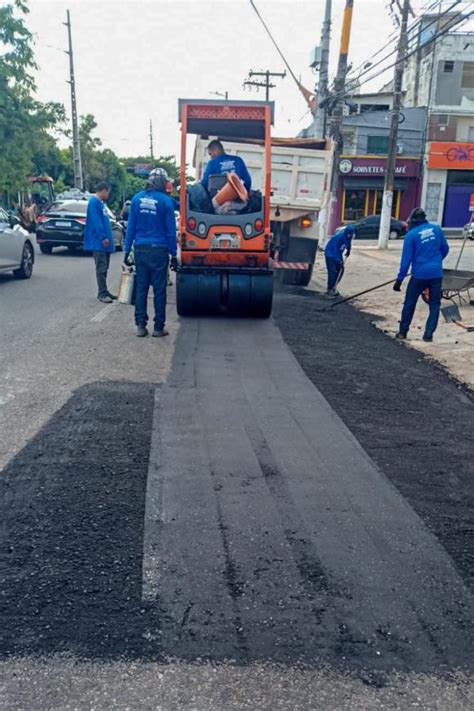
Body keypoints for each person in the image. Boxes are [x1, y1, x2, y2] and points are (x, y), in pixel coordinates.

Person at [124, 168, 177, 338]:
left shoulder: (137, 199)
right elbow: (170, 232)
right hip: (159, 251)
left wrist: (126, 250)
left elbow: (130, 227)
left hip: (140, 249)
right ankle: (158, 327)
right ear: (162, 182)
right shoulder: (166, 201)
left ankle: (140, 325)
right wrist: (174, 253)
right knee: (159, 290)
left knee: (141, 288)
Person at [393, 207, 449, 342]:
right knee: (434, 304)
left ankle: (402, 332)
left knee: (410, 302)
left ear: (412, 220)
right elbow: (445, 249)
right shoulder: (436, 229)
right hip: (436, 274)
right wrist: (435, 262)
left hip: (419, 275)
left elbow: (406, 261)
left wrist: (399, 279)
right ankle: (428, 335)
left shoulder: (411, 235)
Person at [83, 181, 116, 303]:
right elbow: (97, 222)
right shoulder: (94, 203)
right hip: (98, 242)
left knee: (105, 267)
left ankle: (105, 290)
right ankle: (101, 293)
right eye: (107, 192)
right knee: (101, 268)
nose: (108, 195)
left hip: (104, 243)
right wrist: (103, 237)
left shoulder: (101, 203)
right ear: (104, 191)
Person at [324, 224, 354, 297]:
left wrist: (348, 250)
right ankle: (330, 289)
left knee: (341, 270)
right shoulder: (339, 237)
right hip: (330, 253)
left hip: (338, 253)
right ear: (346, 232)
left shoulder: (349, 236)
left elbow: (348, 242)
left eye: (350, 234)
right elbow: (335, 249)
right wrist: (339, 261)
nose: (349, 236)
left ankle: (334, 287)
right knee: (333, 271)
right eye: (348, 234)